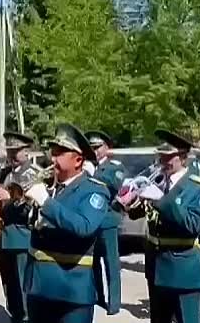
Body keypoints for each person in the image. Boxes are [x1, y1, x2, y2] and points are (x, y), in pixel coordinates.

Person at [23, 123, 109, 323]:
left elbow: (84, 227)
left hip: (71, 288)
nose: (53, 159)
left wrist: (46, 202)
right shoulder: (51, 187)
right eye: (53, 153)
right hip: (39, 285)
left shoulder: (93, 191)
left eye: (60, 153)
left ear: (78, 159)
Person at [126, 130, 200, 323]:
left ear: (182, 157)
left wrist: (161, 200)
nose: (163, 161)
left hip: (182, 268)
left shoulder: (197, 186)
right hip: (157, 266)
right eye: (161, 156)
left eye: (168, 157)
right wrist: (133, 202)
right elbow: (140, 214)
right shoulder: (159, 181)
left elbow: (192, 224)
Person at [0, 132, 37, 323]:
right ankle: (15, 316)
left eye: (16, 152)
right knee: (9, 284)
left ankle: (26, 318)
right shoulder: (6, 172)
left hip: (22, 236)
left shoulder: (33, 173)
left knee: (23, 285)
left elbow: (34, 207)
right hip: (5, 236)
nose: (12, 156)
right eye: (10, 151)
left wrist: (10, 199)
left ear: (26, 151)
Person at [84, 131, 126, 316]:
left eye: (98, 147)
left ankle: (114, 303)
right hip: (92, 221)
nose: (95, 151)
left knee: (111, 262)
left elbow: (115, 183)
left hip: (108, 219)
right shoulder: (87, 166)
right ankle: (97, 296)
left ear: (107, 147)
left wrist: (93, 175)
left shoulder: (113, 166)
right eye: (92, 148)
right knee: (93, 262)